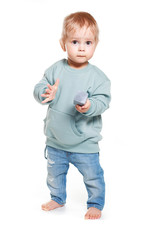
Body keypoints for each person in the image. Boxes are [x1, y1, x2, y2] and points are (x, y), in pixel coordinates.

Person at [33, 11, 111, 220]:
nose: (82, 47)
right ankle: (57, 198)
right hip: (56, 140)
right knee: (54, 175)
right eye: (75, 41)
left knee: (93, 176)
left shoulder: (98, 78)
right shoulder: (55, 69)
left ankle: (95, 203)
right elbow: (40, 85)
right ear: (63, 43)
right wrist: (45, 92)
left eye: (88, 42)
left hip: (84, 143)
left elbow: (103, 101)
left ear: (95, 44)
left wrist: (89, 105)